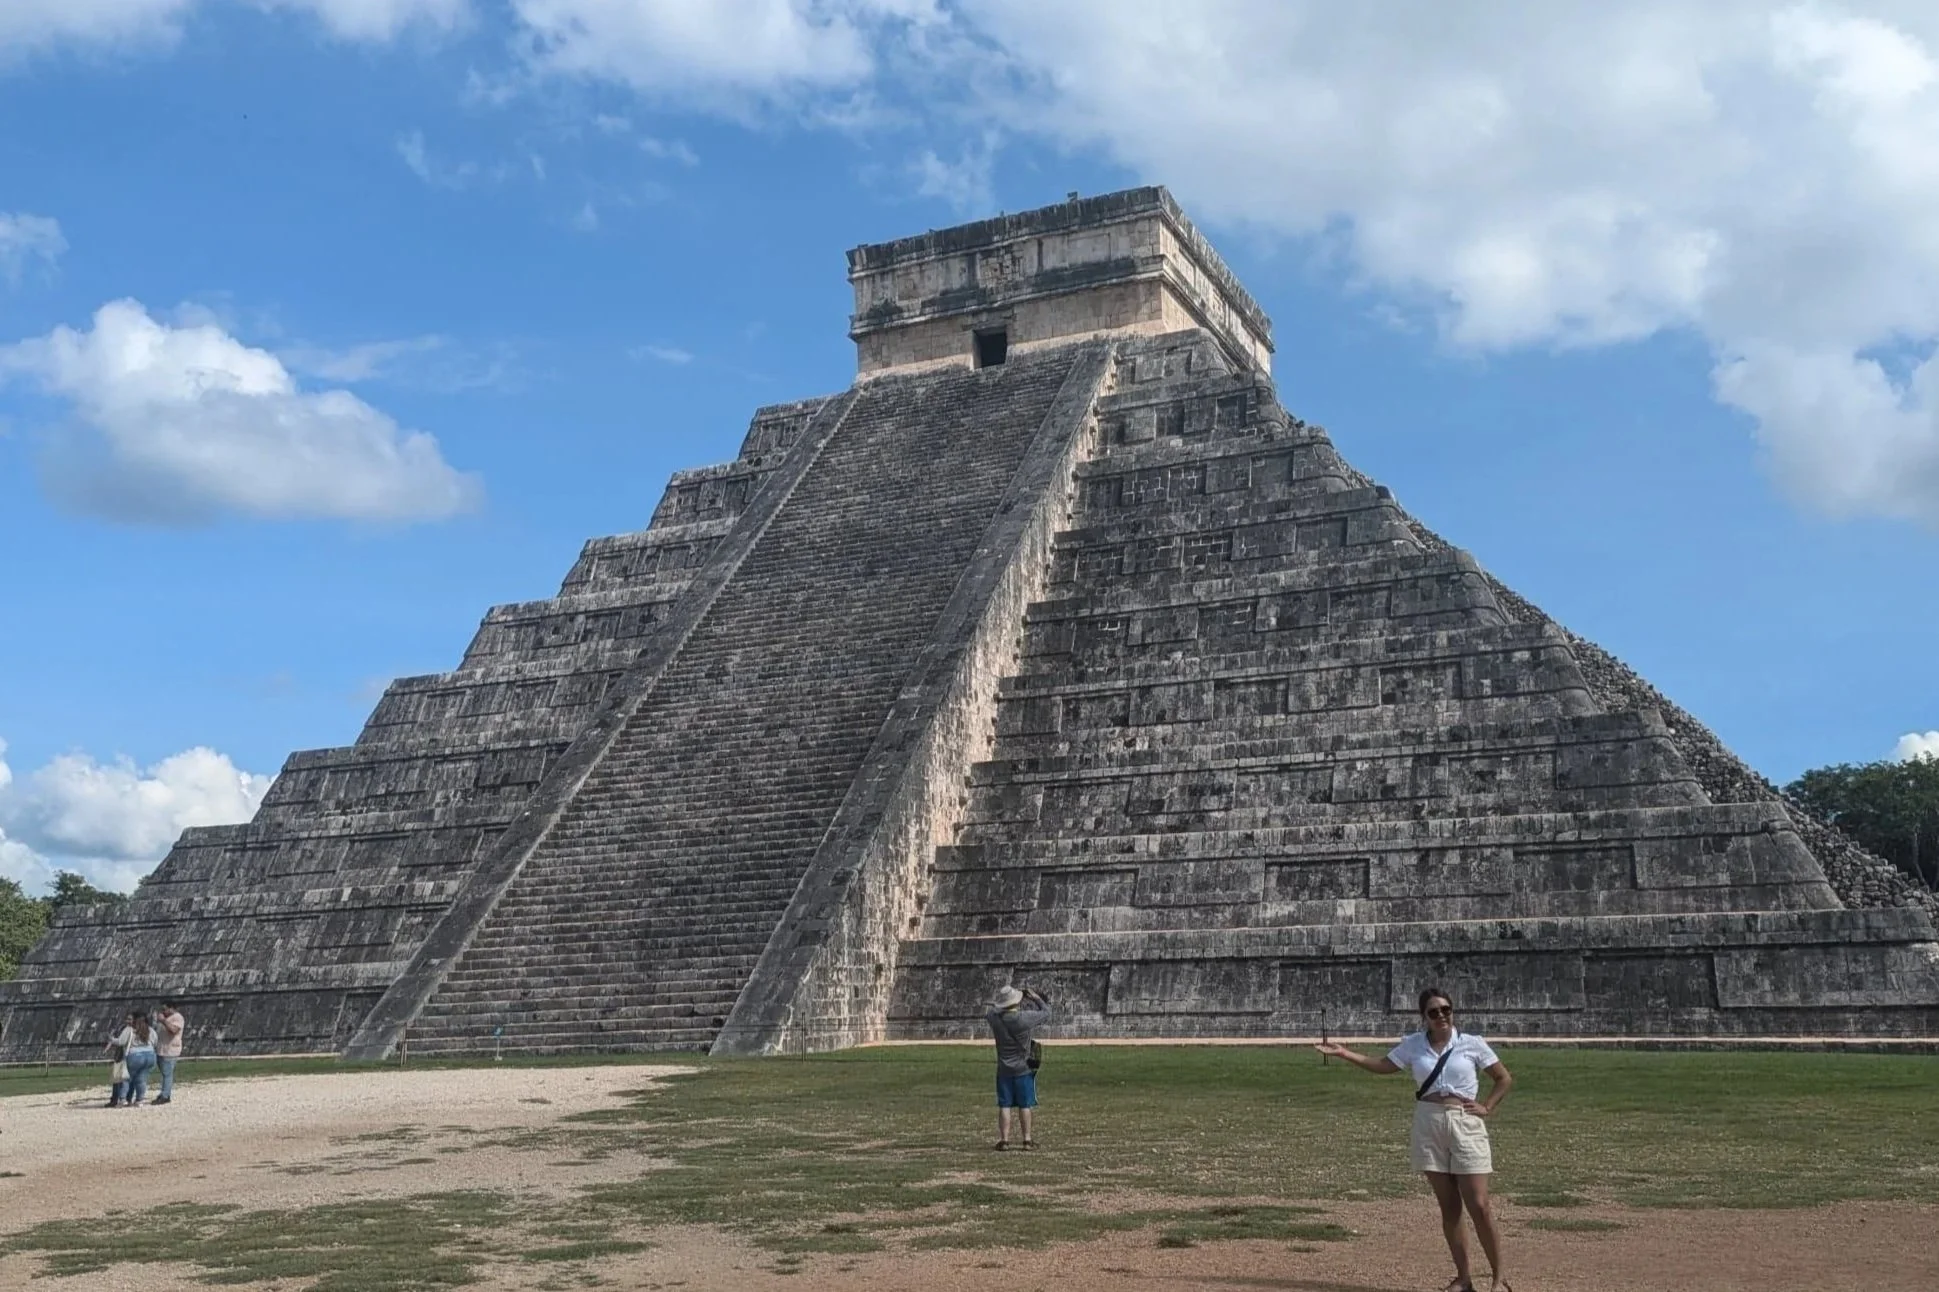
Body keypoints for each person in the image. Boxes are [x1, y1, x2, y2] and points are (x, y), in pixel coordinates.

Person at [1316, 988, 1515, 1292]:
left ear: (1453, 1011)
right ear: (1424, 1017)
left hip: (1465, 1123)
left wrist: (1486, 1107)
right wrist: (1345, 1054)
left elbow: (1503, 1078)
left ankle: (1499, 1279)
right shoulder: (1414, 1045)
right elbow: (1385, 1065)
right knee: (1449, 1208)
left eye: (1445, 1010)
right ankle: (1464, 1279)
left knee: (1479, 1204)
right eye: (1433, 1012)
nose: (1441, 1016)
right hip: (1428, 1122)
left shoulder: (1471, 1043)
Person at [984, 984, 1050, 1151]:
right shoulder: (1024, 1018)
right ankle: (1027, 1139)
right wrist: (1035, 997)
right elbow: (1047, 1012)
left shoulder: (995, 1019)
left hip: (1004, 1069)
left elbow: (991, 1010)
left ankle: (1004, 1140)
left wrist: (999, 1003)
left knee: (1004, 1105)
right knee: (1024, 1105)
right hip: (1023, 1068)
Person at [108, 1011, 161, 1107]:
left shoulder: (129, 1029)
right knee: (141, 1079)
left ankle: (123, 1099)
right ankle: (139, 1100)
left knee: (126, 1078)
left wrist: (112, 1039)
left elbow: (121, 1042)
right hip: (150, 1055)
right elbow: (156, 1041)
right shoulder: (150, 1029)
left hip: (135, 1056)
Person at [153, 998, 186, 1105]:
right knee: (164, 1074)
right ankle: (164, 1092)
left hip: (170, 1050)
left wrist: (163, 1021)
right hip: (161, 1049)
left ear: (171, 1008)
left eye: (165, 1009)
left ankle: (165, 1095)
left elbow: (173, 1030)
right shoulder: (167, 1018)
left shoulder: (178, 1018)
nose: (163, 1012)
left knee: (167, 1074)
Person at [102, 1011, 135, 1108]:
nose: (128, 1021)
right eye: (127, 1019)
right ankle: (114, 1099)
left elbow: (118, 1041)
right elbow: (113, 1039)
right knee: (116, 1079)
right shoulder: (121, 1028)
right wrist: (107, 1048)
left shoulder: (133, 1030)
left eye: (130, 1019)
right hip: (119, 1056)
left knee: (126, 1079)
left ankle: (126, 1098)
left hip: (126, 1056)